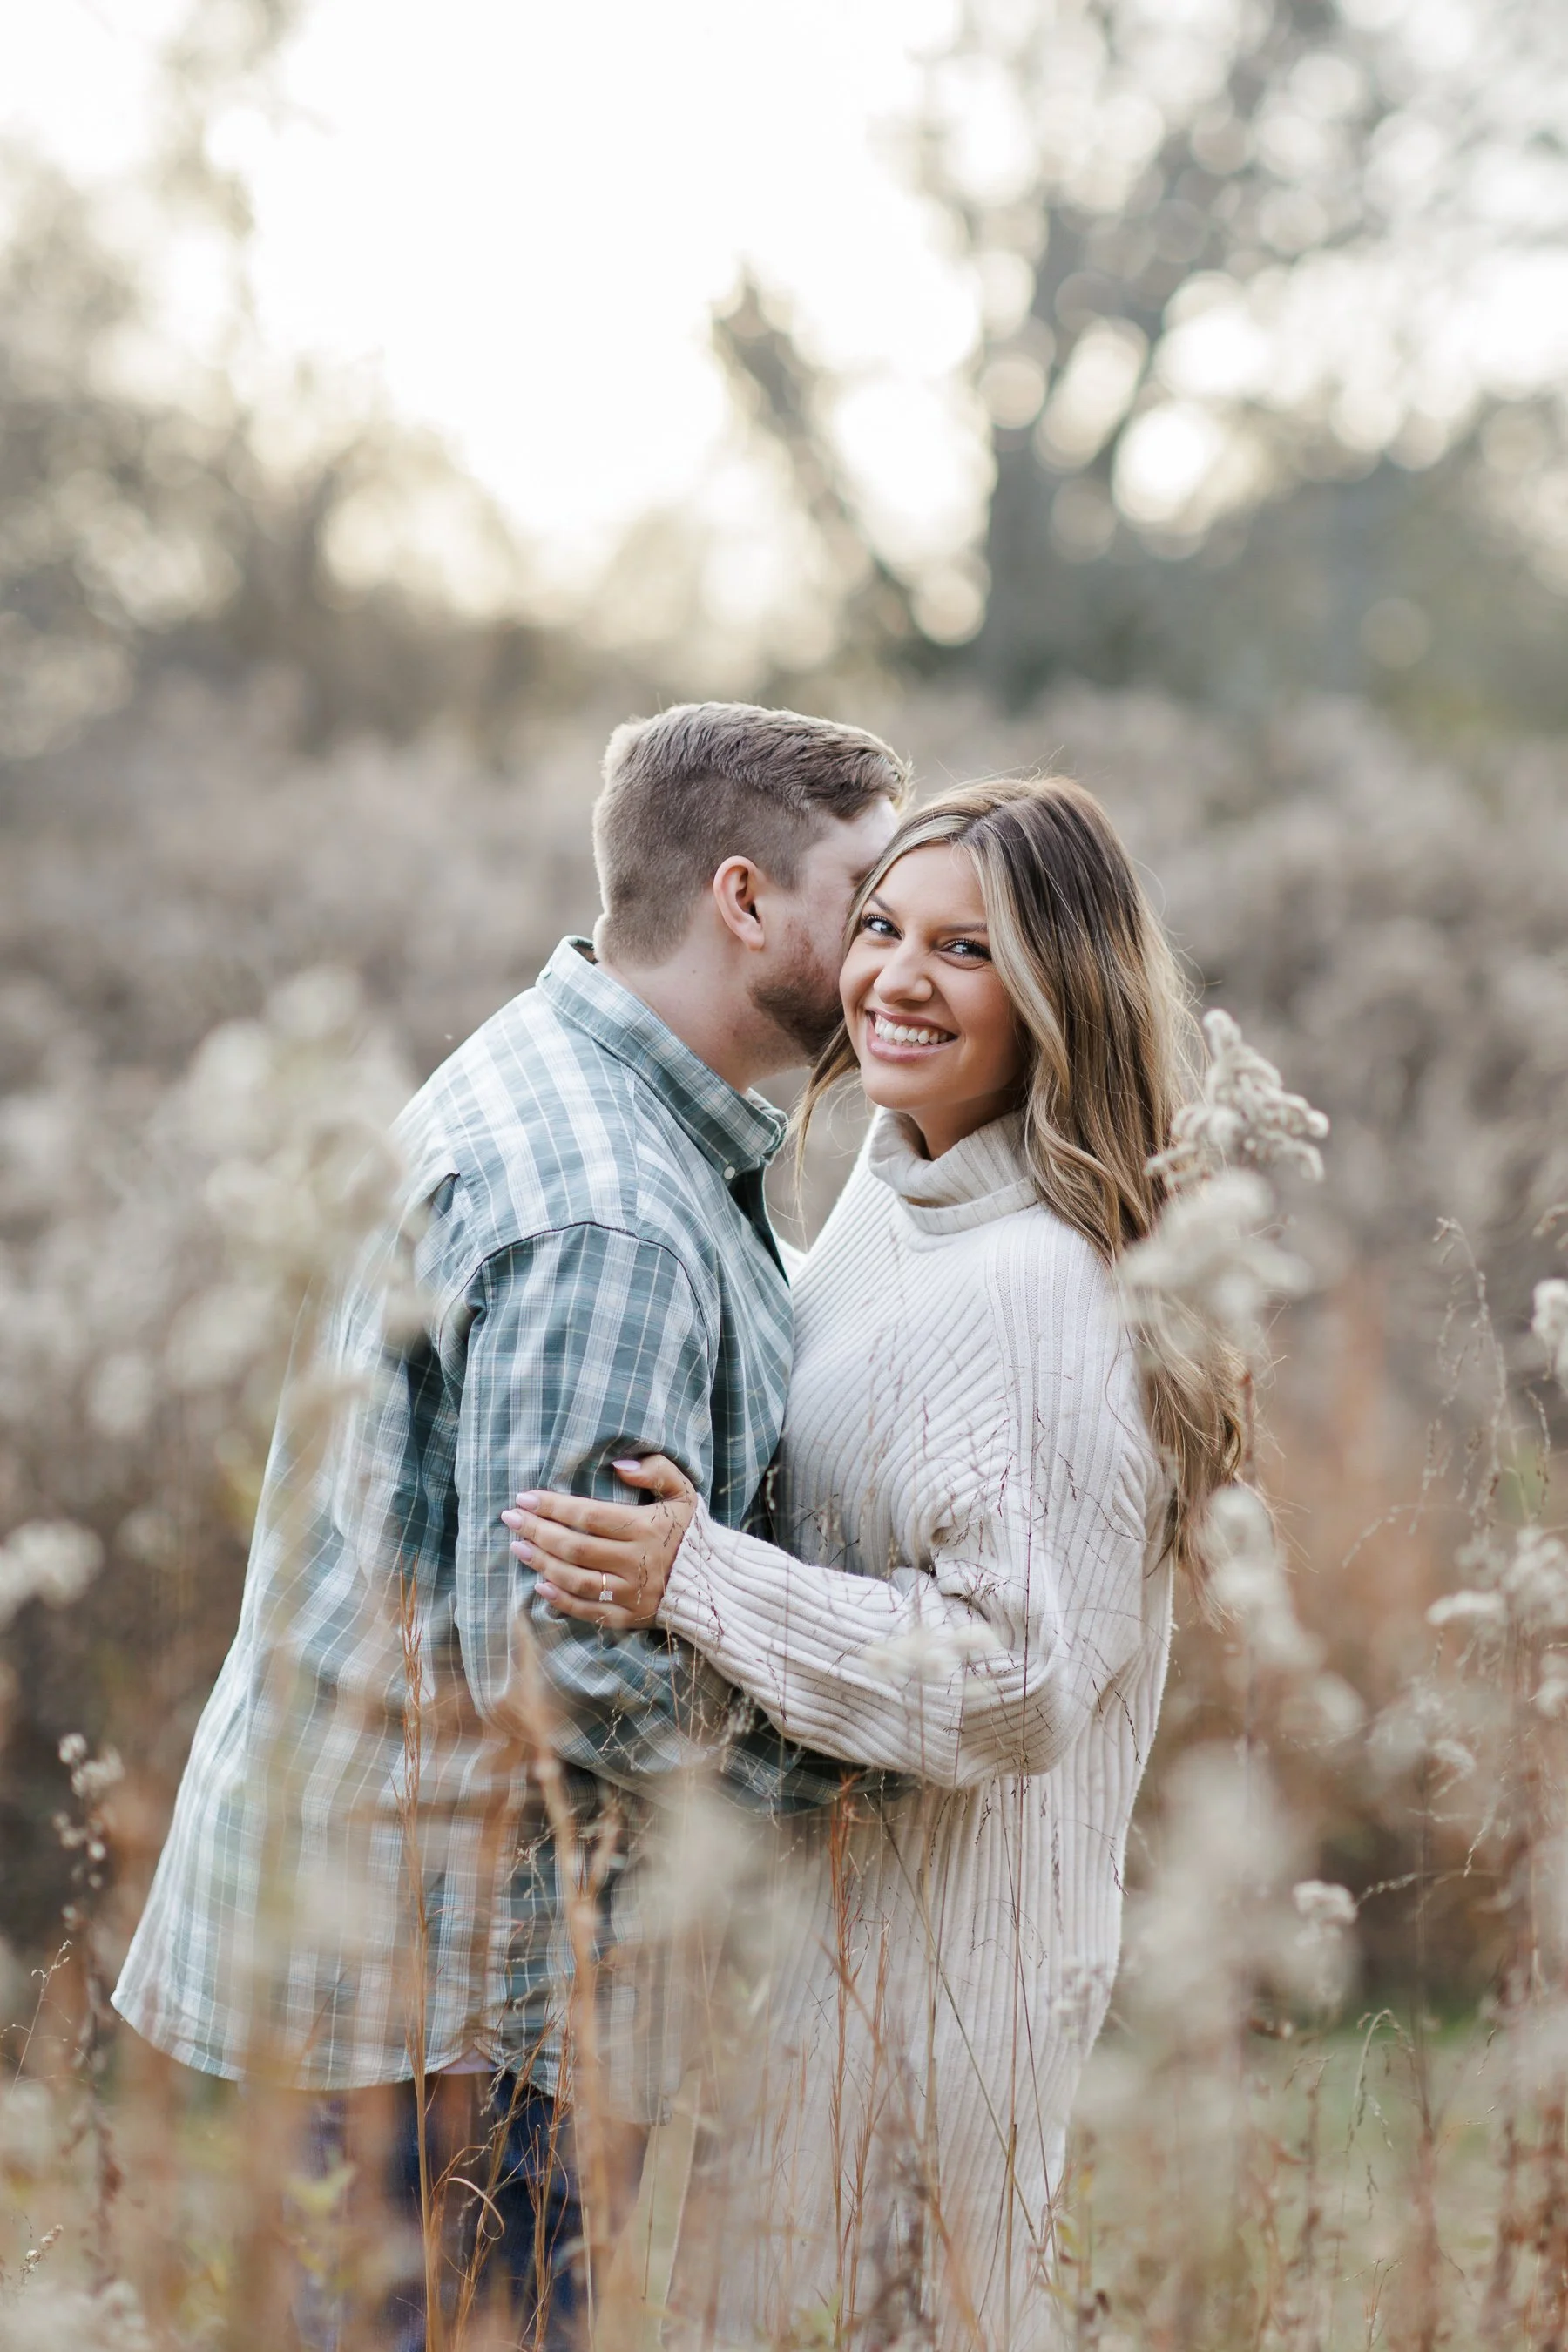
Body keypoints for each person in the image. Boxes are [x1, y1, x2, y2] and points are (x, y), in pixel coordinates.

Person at [112, 701, 907, 2349]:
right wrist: (872, 1759)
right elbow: (566, 1681)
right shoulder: (609, 1214)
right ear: (744, 898)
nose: (889, 953)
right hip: (467, 2004)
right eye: (867, 901)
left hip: (391, 1961)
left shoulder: (566, 1078)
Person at [507, 774, 1246, 2351]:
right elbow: (855, 1398)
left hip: (934, 1999)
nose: (897, 980)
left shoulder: (1041, 1287)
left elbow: (1015, 1680)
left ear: (1059, 994)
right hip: (810, 1964)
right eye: (883, 928)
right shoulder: (904, 1181)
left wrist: (694, 1577)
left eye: (965, 951)